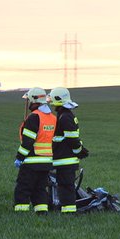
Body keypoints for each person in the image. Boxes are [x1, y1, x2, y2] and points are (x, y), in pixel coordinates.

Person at [13, 87, 55, 214]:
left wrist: (19, 158)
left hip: (31, 161)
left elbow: (27, 142)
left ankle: (21, 213)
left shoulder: (34, 117)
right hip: (46, 162)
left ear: (34, 100)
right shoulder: (52, 118)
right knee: (40, 189)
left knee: (23, 188)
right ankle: (42, 212)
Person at [49, 86, 87, 215]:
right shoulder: (64, 115)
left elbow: (71, 139)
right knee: (65, 186)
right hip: (65, 159)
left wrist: (79, 151)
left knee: (66, 187)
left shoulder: (64, 117)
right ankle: (67, 211)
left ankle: (68, 213)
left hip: (65, 160)